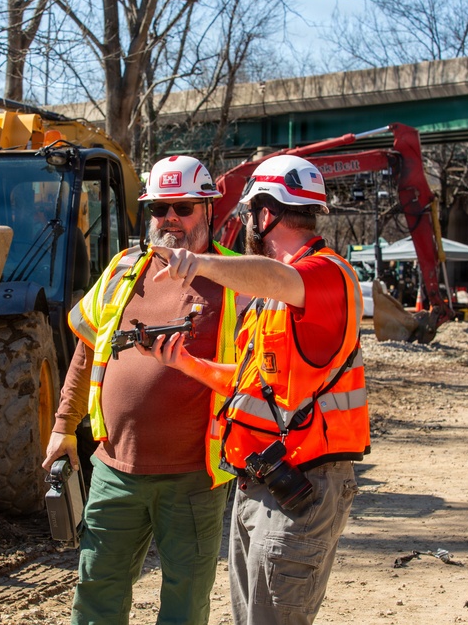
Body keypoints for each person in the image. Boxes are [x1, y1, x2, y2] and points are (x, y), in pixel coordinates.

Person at [137, 154, 369, 625]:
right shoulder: (271, 298)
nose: (245, 224)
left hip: (303, 485)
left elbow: (284, 279)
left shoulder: (326, 275)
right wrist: (185, 361)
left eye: (247, 215)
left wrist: (197, 261)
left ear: (265, 215)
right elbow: (251, 388)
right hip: (261, 481)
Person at [42, 155, 243, 625]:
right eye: (158, 208)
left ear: (208, 208)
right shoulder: (122, 269)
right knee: (97, 589)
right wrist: (62, 428)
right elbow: (87, 350)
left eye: (183, 206)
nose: (169, 218)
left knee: (185, 599)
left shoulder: (239, 277)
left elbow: (268, 369)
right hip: (115, 468)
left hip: (195, 475)